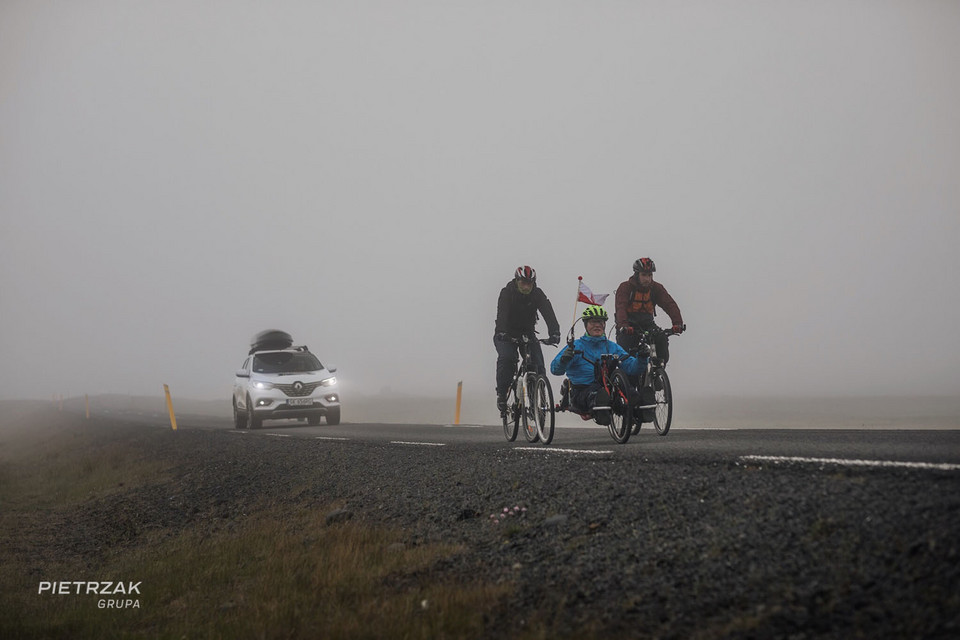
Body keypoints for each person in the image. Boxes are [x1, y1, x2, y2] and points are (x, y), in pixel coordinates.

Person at [550, 305, 644, 421]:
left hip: (609, 388)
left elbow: (631, 367)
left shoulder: (612, 346)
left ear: (604, 325)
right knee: (597, 395)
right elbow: (555, 369)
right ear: (586, 325)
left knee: (630, 392)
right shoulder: (576, 346)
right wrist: (564, 360)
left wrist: (642, 358)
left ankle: (641, 407)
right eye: (593, 322)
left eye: (600, 322)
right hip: (582, 391)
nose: (597, 325)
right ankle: (602, 410)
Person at [494, 266, 561, 413]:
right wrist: (501, 332)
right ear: (517, 281)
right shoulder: (507, 293)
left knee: (538, 366)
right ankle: (502, 394)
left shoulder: (537, 294)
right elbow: (502, 313)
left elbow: (547, 311)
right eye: (523, 283)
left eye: (529, 283)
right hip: (506, 333)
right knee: (507, 358)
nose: (526, 286)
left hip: (528, 333)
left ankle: (538, 400)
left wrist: (554, 332)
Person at [614, 257, 684, 365]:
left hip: (647, 323)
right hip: (628, 325)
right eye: (644, 275)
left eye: (650, 275)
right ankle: (630, 378)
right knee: (628, 355)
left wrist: (677, 323)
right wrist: (624, 325)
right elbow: (620, 307)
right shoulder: (625, 287)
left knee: (661, 340)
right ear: (637, 275)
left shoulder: (656, 288)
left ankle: (657, 370)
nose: (647, 279)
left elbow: (669, 304)